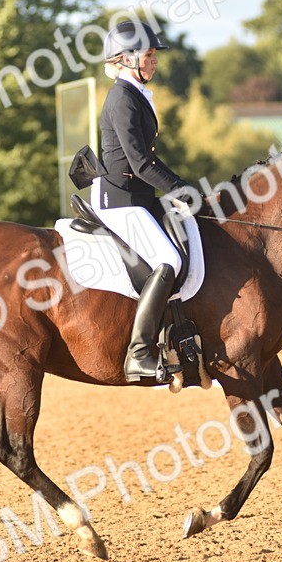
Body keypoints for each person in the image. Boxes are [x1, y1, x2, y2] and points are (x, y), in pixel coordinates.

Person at [93, 20, 199, 383]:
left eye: (154, 55)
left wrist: (183, 187)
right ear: (126, 59)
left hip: (140, 196)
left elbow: (151, 161)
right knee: (168, 259)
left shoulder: (135, 94)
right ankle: (139, 353)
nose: (155, 61)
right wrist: (180, 190)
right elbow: (140, 163)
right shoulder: (122, 98)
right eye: (149, 55)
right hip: (121, 200)